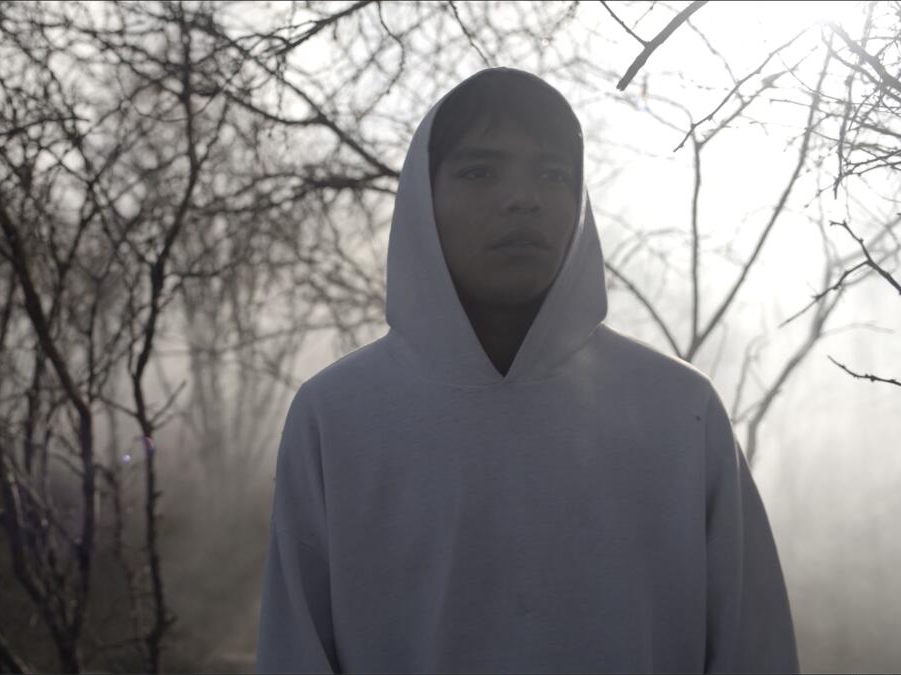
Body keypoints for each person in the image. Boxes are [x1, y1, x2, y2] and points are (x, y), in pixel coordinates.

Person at [254, 67, 800, 674]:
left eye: (553, 174)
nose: (524, 198)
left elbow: (753, 647)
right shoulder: (339, 417)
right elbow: (295, 648)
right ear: (421, 201)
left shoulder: (678, 413)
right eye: (480, 171)